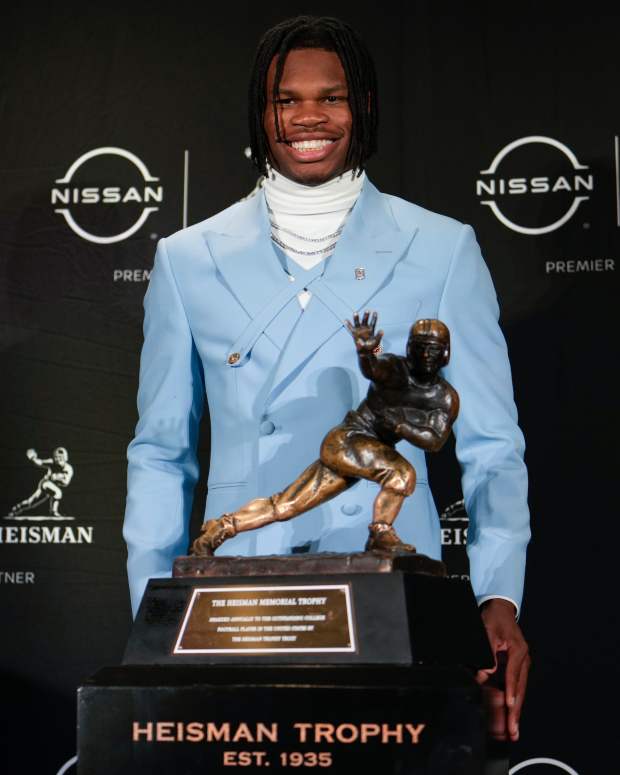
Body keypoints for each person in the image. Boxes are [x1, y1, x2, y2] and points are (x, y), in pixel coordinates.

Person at [123, 15, 531, 742]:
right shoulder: (187, 259)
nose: (309, 116)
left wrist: (500, 589)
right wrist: (151, 609)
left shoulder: (442, 248)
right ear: (261, 110)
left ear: (364, 107)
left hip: (397, 601)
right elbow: (160, 452)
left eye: (332, 97)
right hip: (237, 609)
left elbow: (493, 444)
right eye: (287, 99)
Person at [192, 315, 459, 555]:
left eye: (433, 349)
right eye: (420, 347)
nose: (426, 355)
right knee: (401, 474)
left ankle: (220, 528)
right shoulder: (394, 369)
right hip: (348, 440)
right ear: (409, 348)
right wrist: (366, 351)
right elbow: (373, 368)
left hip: (364, 453)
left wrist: (400, 425)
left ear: (445, 353)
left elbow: (433, 441)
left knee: (286, 506)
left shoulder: (444, 397)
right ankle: (380, 533)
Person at [9, 447, 73, 517]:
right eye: (56, 457)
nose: (58, 459)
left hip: (52, 486)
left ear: (65, 458)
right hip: (45, 483)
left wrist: (58, 478)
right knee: (58, 493)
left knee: (30, 502)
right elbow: (40, 462)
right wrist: (33, 458)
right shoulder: (52, 462)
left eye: (60, 457)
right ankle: (53, 511)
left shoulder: (68, 469)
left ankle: (16, 508)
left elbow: (66, 483)